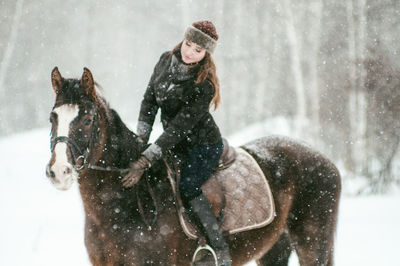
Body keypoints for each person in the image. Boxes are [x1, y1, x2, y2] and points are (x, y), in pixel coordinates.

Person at [121, 20, 231, 265]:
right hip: (174, 142)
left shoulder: (204, 84)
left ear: (206, 54)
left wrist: (149, 156)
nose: (189, 51)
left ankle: (217, 248)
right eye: (188, 43)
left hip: (202, 145)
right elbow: (149, 100)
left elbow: (181, 126)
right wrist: (141, 139)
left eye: (197, 50)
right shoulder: (164, 61)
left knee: (188, 186)